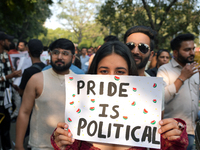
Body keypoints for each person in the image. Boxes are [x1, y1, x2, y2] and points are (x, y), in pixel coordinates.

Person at [51, 41, 188, 150]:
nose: (112, 78)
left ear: (130, 74)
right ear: (94, 74)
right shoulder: (79, 117)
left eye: (120, 72)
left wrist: (173, 135)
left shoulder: (147, 117)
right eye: (104, 71)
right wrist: (62, 142)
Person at [15, 38, 76, 150]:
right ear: (50, 55)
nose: (60, 57)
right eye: (56, 52)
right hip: (40, 146)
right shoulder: (36, 80)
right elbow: (24, 112)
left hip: (69, 146)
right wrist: (18, 145)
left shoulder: (79, 83)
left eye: (65, 53)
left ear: (73, 58)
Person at [157, 33, 200, 150]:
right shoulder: (164, 70)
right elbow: (160, 99)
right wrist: (182, 77)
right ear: (175, 53)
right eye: (187, 50)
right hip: (173, 134)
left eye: (192, 49)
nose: (191, 53)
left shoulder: (195, 70)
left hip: (192, 130)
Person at [0, 31, 22, 150]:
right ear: (2, 42)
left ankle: (7, 147)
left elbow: (7, 76)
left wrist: (14, 83)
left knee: (6, 126)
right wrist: (10, 76)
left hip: (6, 99)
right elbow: (5, 77)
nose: (10, 43)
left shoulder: (4, 56)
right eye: (8, 40)